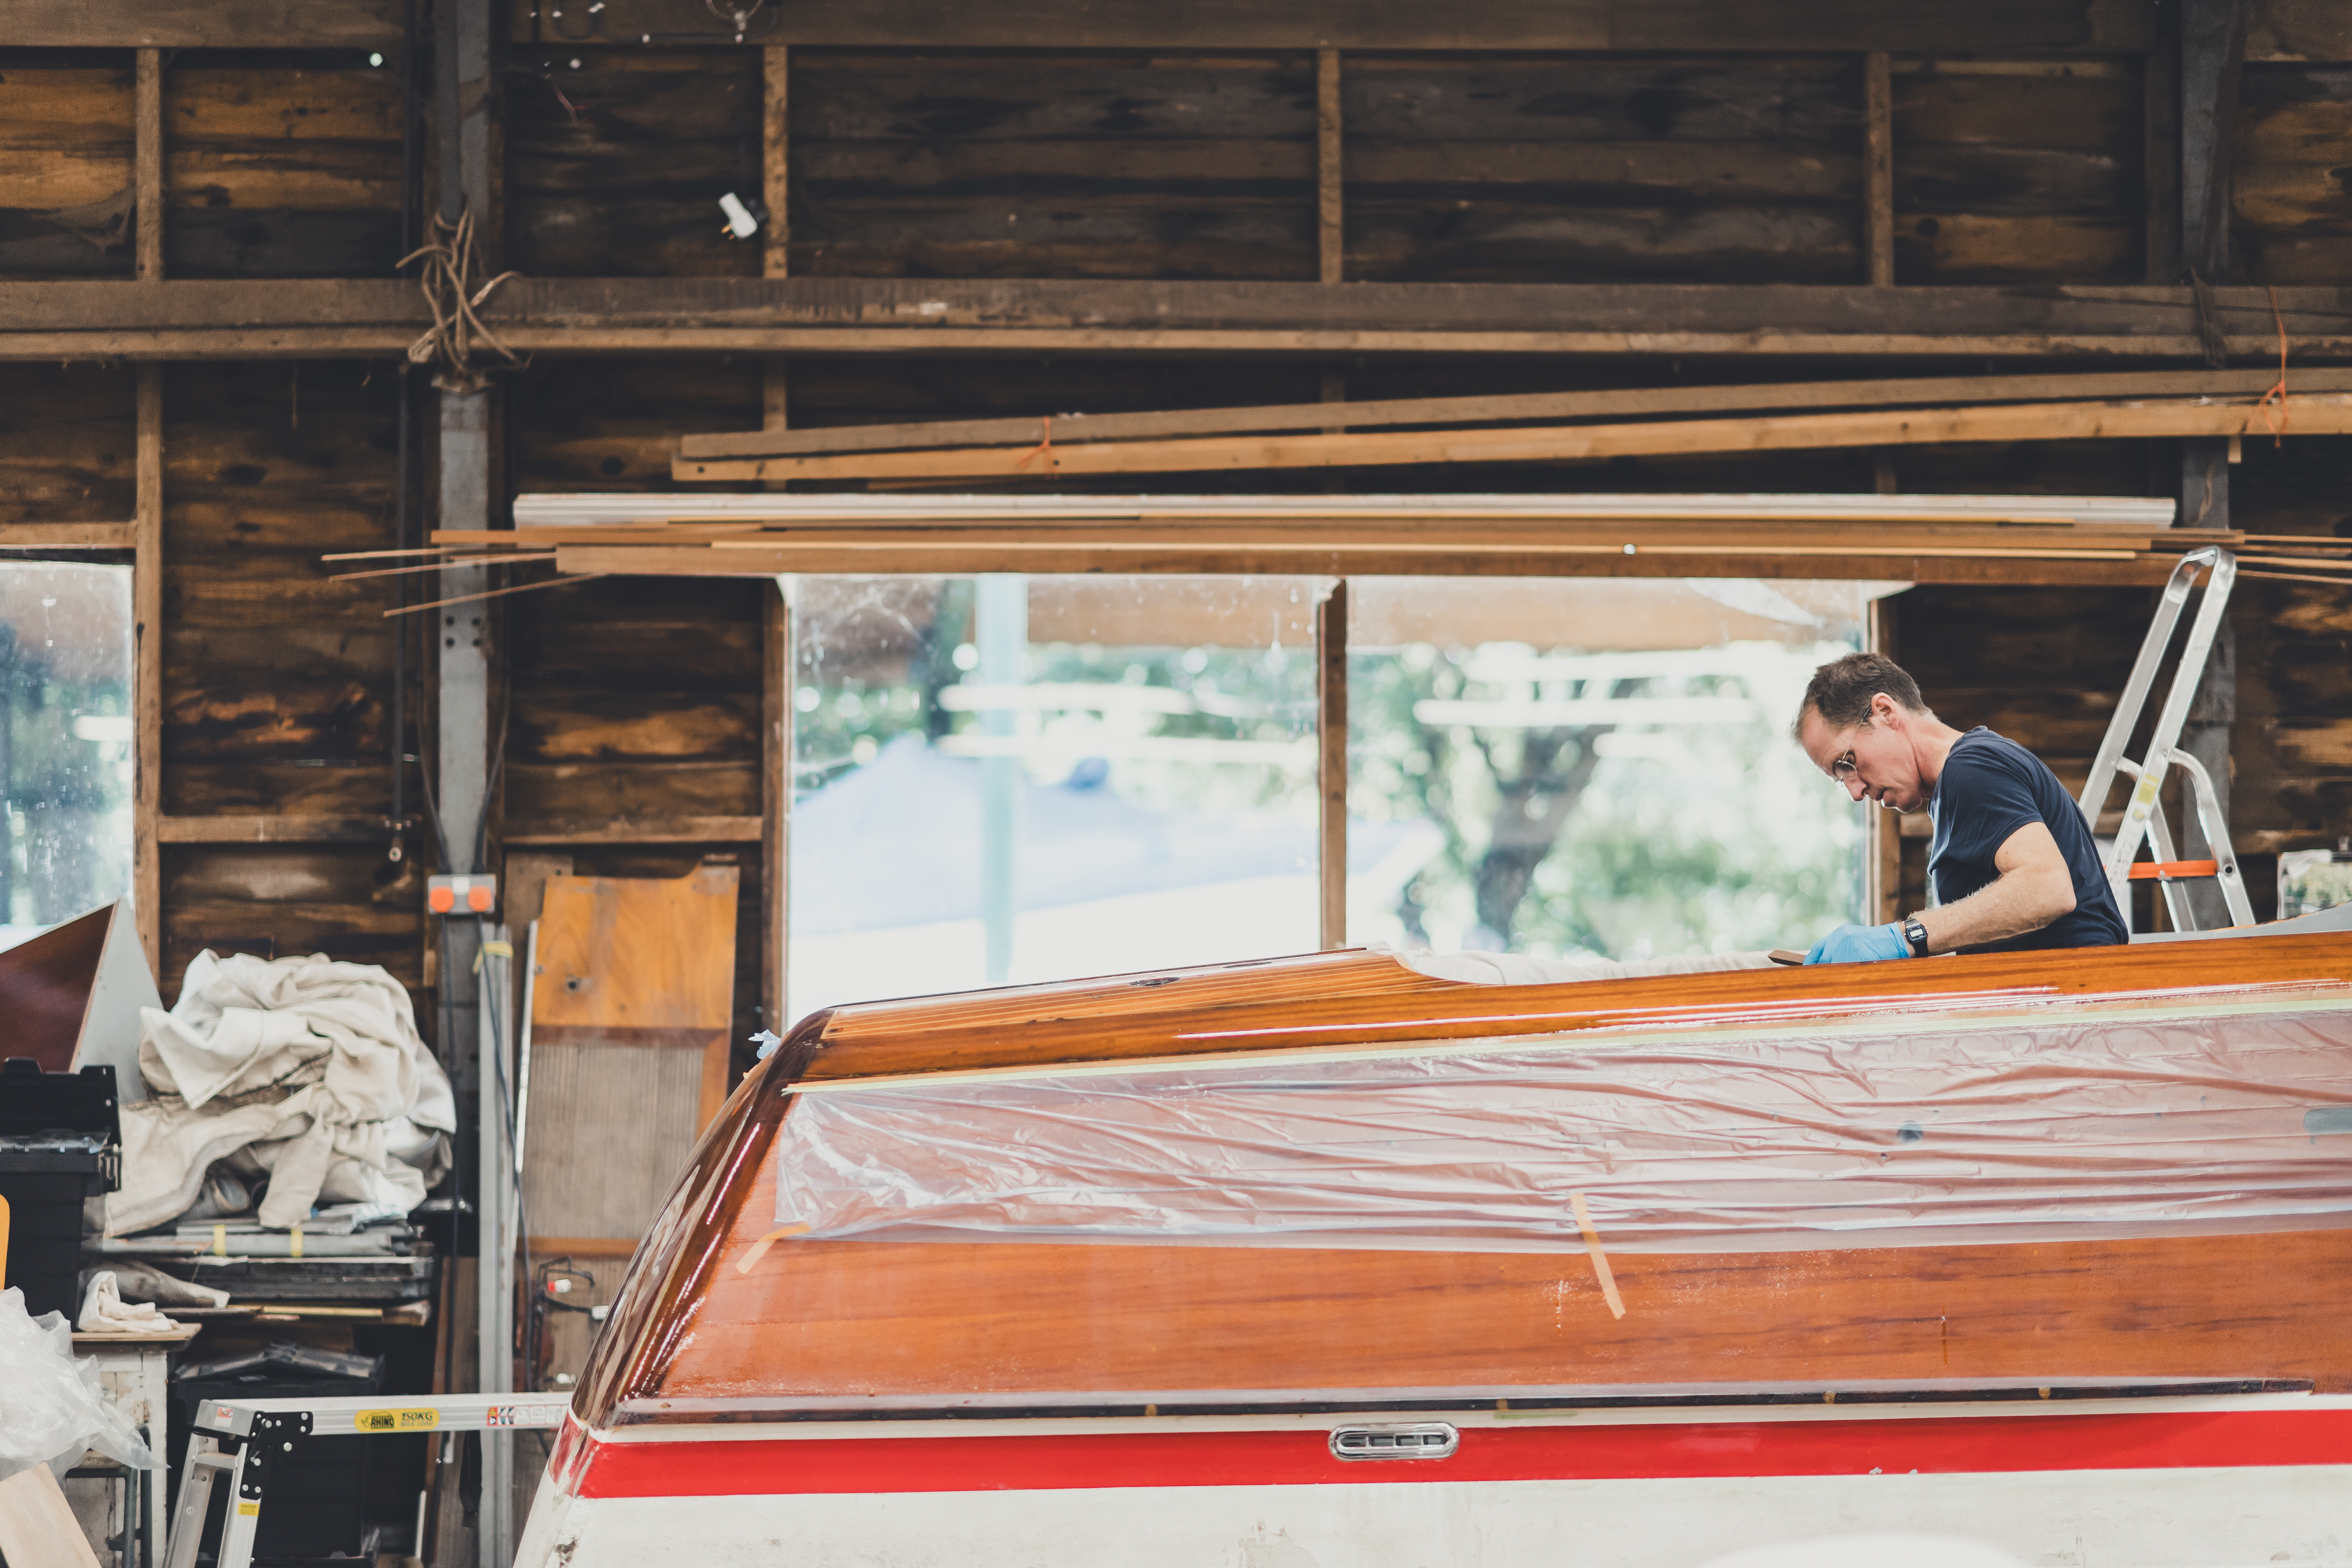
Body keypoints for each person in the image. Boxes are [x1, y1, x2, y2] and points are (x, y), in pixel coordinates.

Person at [1790, 651, 2126, 963]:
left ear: (1886, 712)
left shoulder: (1970, 770)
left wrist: (1907, 936)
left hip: (2072, 992)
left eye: (1847, 763)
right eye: (1840, 779)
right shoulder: (1964, 776)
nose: (1855, 792)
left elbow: (2048, 889)